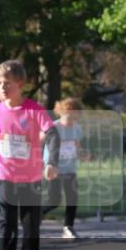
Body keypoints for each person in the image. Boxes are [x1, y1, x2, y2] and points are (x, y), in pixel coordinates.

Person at [0, 60, 59, 250]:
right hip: (5, 175)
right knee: (6, 221)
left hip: (32, 177)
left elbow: (53, 134)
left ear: (20, 84)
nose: (2, 87)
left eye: (7, 82)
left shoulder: (34, 110)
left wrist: (51, 162)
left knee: (30, 223)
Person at [43, 97, 84, 240]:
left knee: (73, 198)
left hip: (70, 168)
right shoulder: (54, 126)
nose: (72, 116)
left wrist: (83, 154)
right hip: (55, 169)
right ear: (61, 112)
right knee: (54, 200)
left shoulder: (77, 128)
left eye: (75, 113)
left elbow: (77, 145)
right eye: (69, 113)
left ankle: (68, 227)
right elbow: (40, 138)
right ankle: (35, 216)